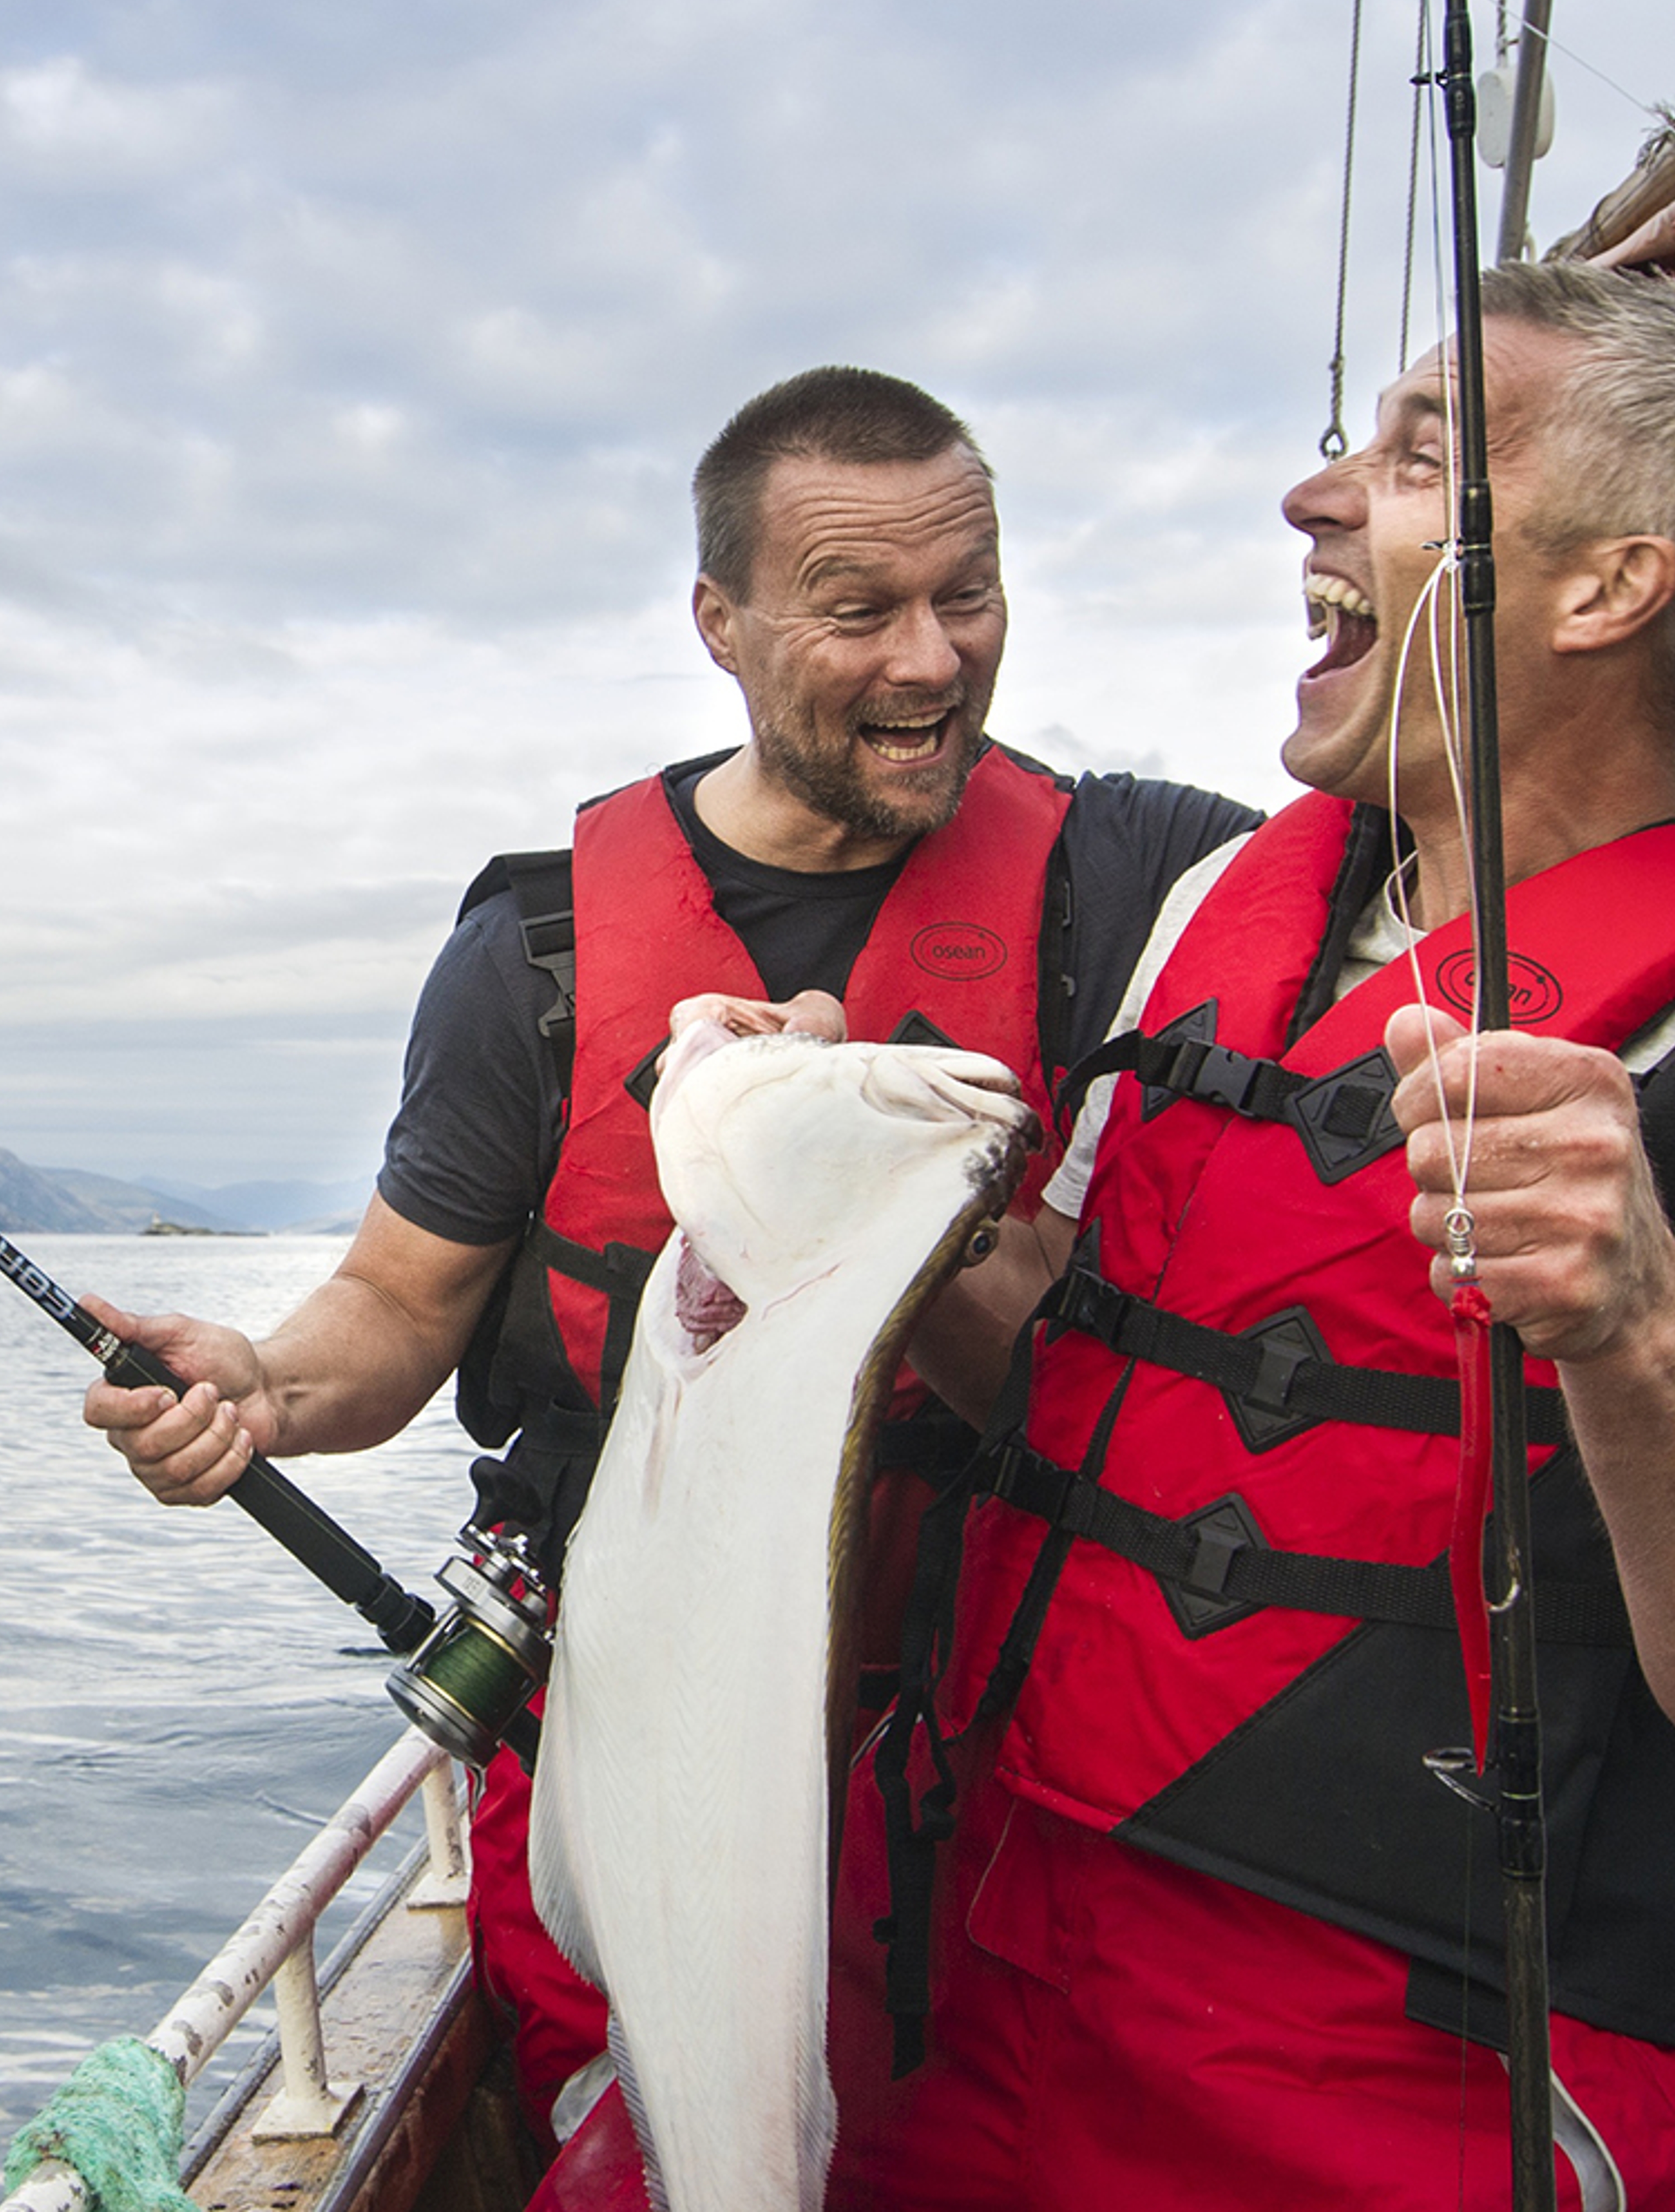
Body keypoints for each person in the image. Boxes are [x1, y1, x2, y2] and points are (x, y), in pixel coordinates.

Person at [81, 365, 1256, 2160]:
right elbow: (399, 1312)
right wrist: (261, 1384)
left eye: (972, 594)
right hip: (624, 1730)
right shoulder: (538, 953)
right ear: (718, 620)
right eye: (860, 610)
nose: (933, 660)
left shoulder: (1151, 882)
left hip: (1013, 1747)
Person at [805, 260, 1675, 2209]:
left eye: (1420, 453)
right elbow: (1074, 1365)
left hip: (1402, 2075)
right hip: (980, 1954)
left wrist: (1634, 1333)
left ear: (1609, 585)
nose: (1317, 494)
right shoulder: (1227, 900)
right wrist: (862, 1172)